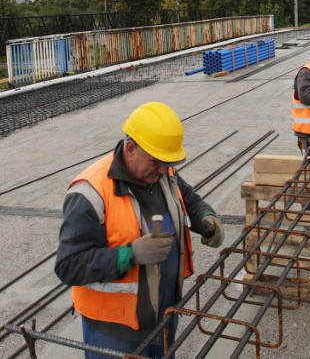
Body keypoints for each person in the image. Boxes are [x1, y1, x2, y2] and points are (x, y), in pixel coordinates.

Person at [55, 101, 225, 359]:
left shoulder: (162, 172)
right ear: (131, 148)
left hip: (164, 313)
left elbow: (189, 198)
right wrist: (131, 254)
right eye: (157, 161)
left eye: (167, 162)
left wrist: (205, 218)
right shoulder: (90, 193)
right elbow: (68, 265)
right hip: (115, 332)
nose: (163, 169)